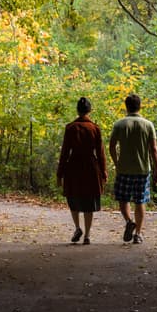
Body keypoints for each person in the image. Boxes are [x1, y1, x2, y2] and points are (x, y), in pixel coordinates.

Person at [108, 93, 157, 244]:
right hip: (143, 169)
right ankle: (138, 233)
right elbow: (154, 149)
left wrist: (117, 162)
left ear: (126, 107)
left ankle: (128, 221)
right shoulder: (148, 124)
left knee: (123, 199)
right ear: (140, 106)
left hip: (124, 169)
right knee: (140, 202)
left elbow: (111, 146)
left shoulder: (119, 124)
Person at [56, 96, 107, 245]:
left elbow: (65, 152)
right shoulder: (95, 128)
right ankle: (88, 235)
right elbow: (101, 153)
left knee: (73, 197)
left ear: (78, 111)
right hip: (91, 167)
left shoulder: (70, 127)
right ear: (90, 110)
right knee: (89, 200)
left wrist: (60, 174)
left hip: (73, 167)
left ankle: (78, 228)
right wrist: (104, 171)